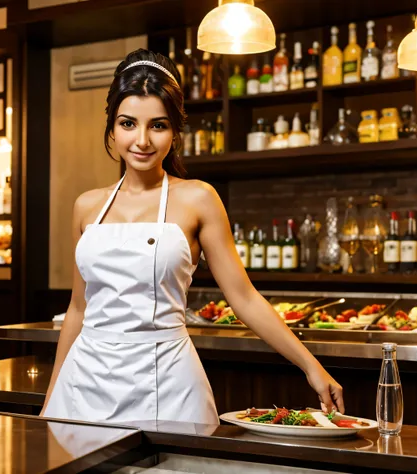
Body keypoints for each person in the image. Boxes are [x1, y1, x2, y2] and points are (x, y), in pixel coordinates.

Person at [41, 48, 344, 425]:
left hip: (167, 384)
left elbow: (244, 298)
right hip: (84, 384)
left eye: (157, 125)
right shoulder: (86, 206)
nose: (142, 141)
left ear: (175, 130)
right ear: (112, 127)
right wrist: (52, 394)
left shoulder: (198, 198)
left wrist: (311, 366)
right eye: (128, 123)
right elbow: (78, 310)